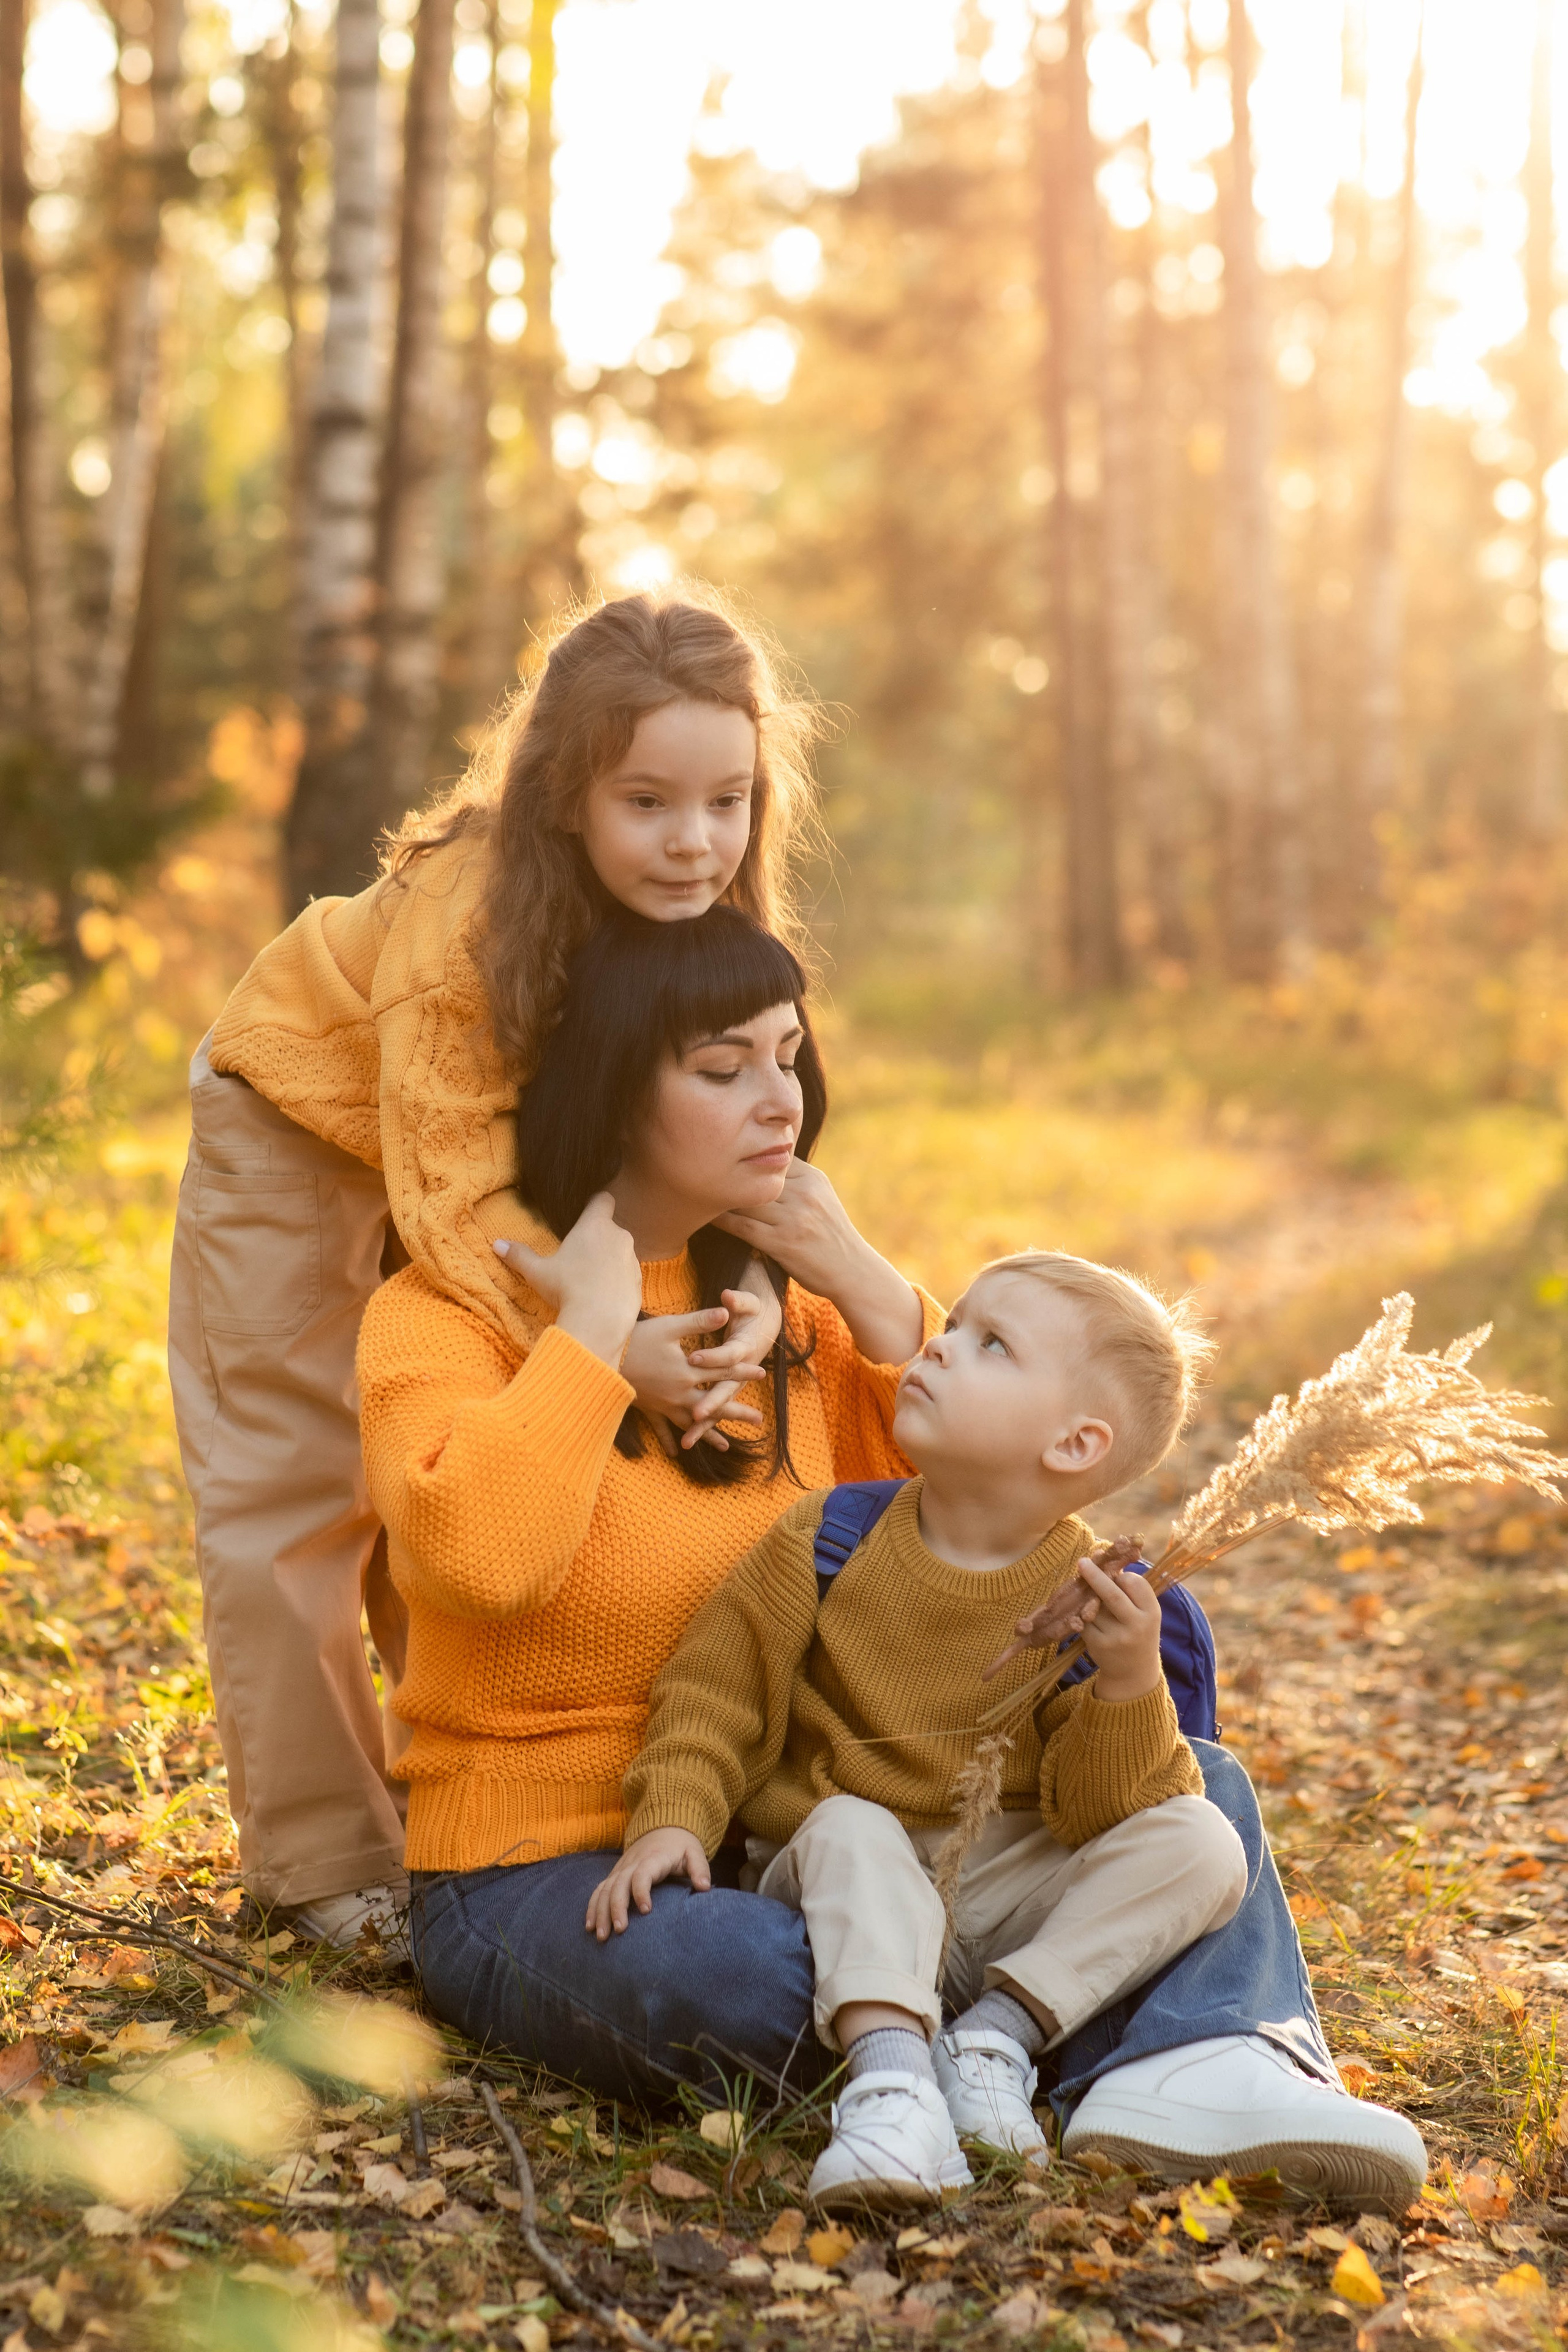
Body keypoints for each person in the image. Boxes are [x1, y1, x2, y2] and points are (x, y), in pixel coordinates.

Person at [390, 903, 1427, 2211]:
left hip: (899, 1848)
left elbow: (982, 1493)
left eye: (789, 1055)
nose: (781, 1100)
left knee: (1195, 1791)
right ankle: (1075, 2039)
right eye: (723, 1068)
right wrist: (589, 1340)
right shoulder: (450, 1310)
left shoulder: (794, 1318)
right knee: (769, 1974)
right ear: (612, 1084)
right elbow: (476, 1564)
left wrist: (861, 1281)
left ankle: (1176, 2061)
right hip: (561, 1862)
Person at [168, 588, 818, 1941]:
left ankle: (460, 1798)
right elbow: (460, 1202)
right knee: (302, 1483)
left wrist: (751, 1293)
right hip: (301, 1117)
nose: (695, 842)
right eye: (647, 803)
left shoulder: (705, 894)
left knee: (473, 1444)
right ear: (562, 791)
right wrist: (599, 1347)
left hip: (480, 1140)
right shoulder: (463, 924)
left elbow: (741, 1123)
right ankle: (325, 1859)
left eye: (728, 801)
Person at [590, 1253, 1251, 2209]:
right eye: (955, 1326)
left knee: (1201, 1839)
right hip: (845, 1873)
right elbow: (714, 1693)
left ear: (1074, 1445)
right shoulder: (831, 1538)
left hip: (999, 1889)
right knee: (853, 1824)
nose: (938, 1346)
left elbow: (1103, 1815)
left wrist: (1126, 1679)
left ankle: (993, 2042)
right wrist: (673, 1817)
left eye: (992, 1344)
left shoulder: (1090, 1601)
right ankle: (893, 2088)